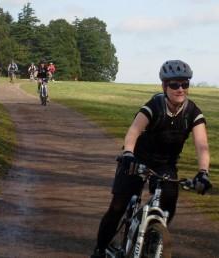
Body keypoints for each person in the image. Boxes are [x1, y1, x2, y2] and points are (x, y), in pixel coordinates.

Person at [90, 60, 212, 258]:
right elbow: (134, 131)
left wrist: (203, 172)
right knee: (118, 206)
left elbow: (202, 145)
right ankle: (101, 248)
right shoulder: (154, 105)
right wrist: (128, 154)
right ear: (164, 86)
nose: (180, 89)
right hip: (136, 158)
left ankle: (155, 235)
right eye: (174, 84)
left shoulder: (193, 113)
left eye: (184, 84)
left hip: (165, 163)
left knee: (169, 201)